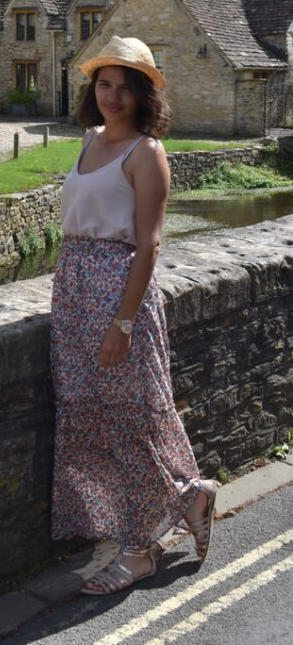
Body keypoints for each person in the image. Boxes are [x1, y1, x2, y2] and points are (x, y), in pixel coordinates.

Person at [51, 36, 217, 595]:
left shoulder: (146, 152)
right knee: (87, 415)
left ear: (143, 95)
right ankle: (189, 496)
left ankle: (138, 549)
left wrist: (122, 325)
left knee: (129, 423)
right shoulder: (89, 139)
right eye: (104, 85)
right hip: (74, 293)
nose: (112, 97)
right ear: (91, 89)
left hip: (118, 297)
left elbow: (148, 246)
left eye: (125, 88)